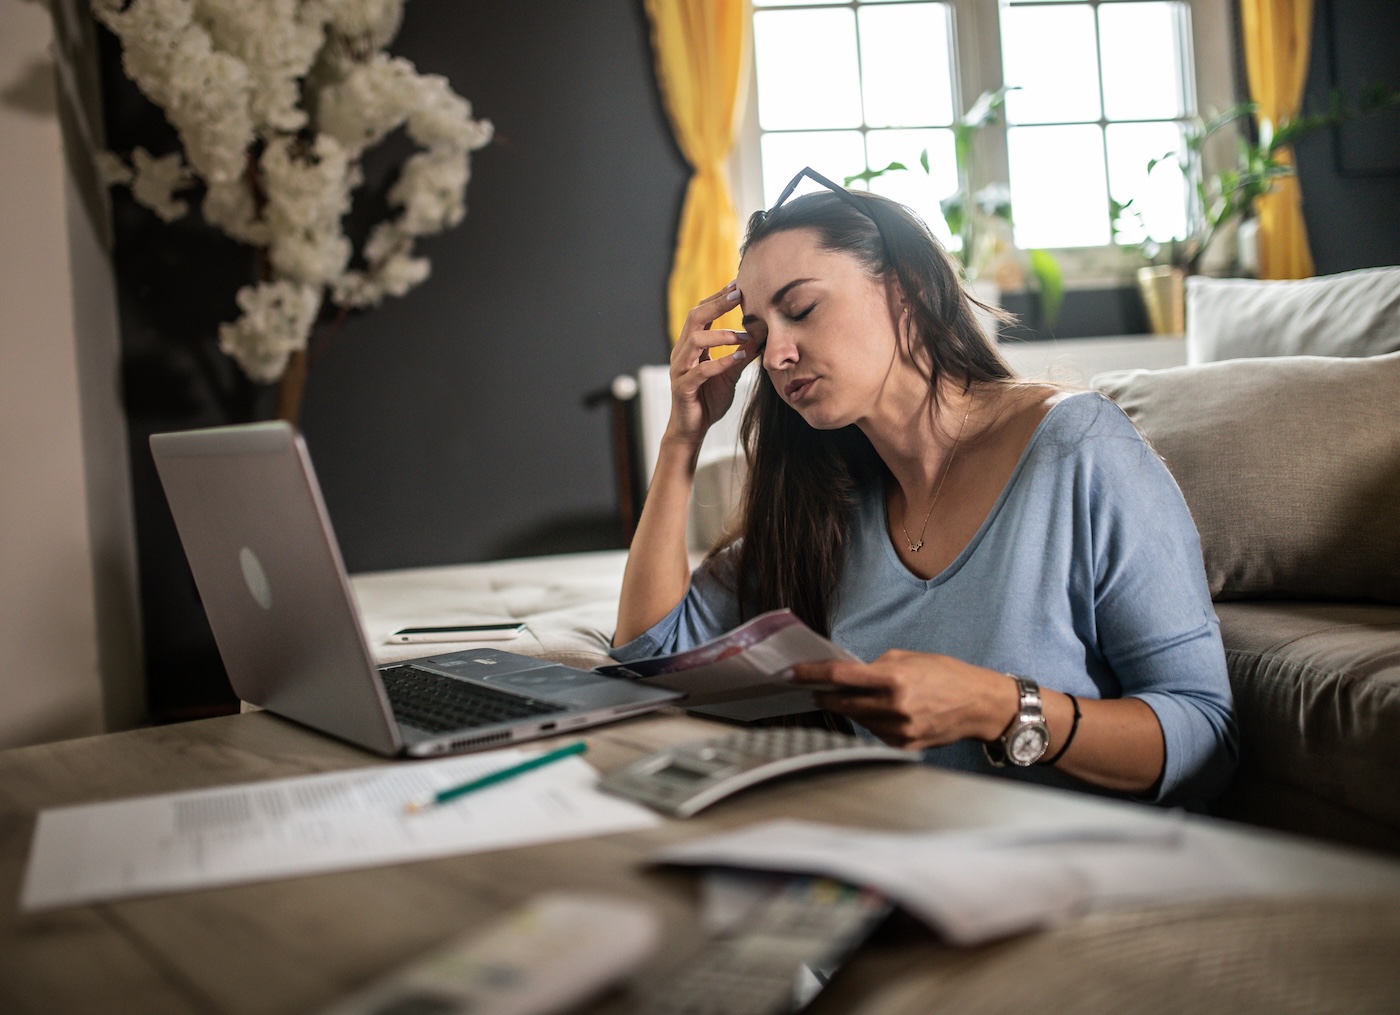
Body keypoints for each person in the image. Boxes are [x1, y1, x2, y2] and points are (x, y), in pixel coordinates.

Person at [612, 168, 1236, 805]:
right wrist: (682, 438)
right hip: (889, 856)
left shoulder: (1079, 447)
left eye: (801, 310)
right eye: (763, 334)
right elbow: (648, 655)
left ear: (906, 289)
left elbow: (1204, 734)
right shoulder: (830, 509)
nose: (776, 357)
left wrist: (997, 707)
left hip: (1065, 873)